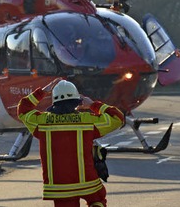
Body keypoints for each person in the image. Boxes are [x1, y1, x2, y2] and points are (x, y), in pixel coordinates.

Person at [17, 78, 125, 207]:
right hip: (88, 182)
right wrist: (93, 105)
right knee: (98, 198)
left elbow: (23, 109)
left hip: (59, 187)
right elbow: (117, 117)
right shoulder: (87, 120)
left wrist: (44, 91)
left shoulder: (41, 121)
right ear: (76, 102)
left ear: (54, 102)